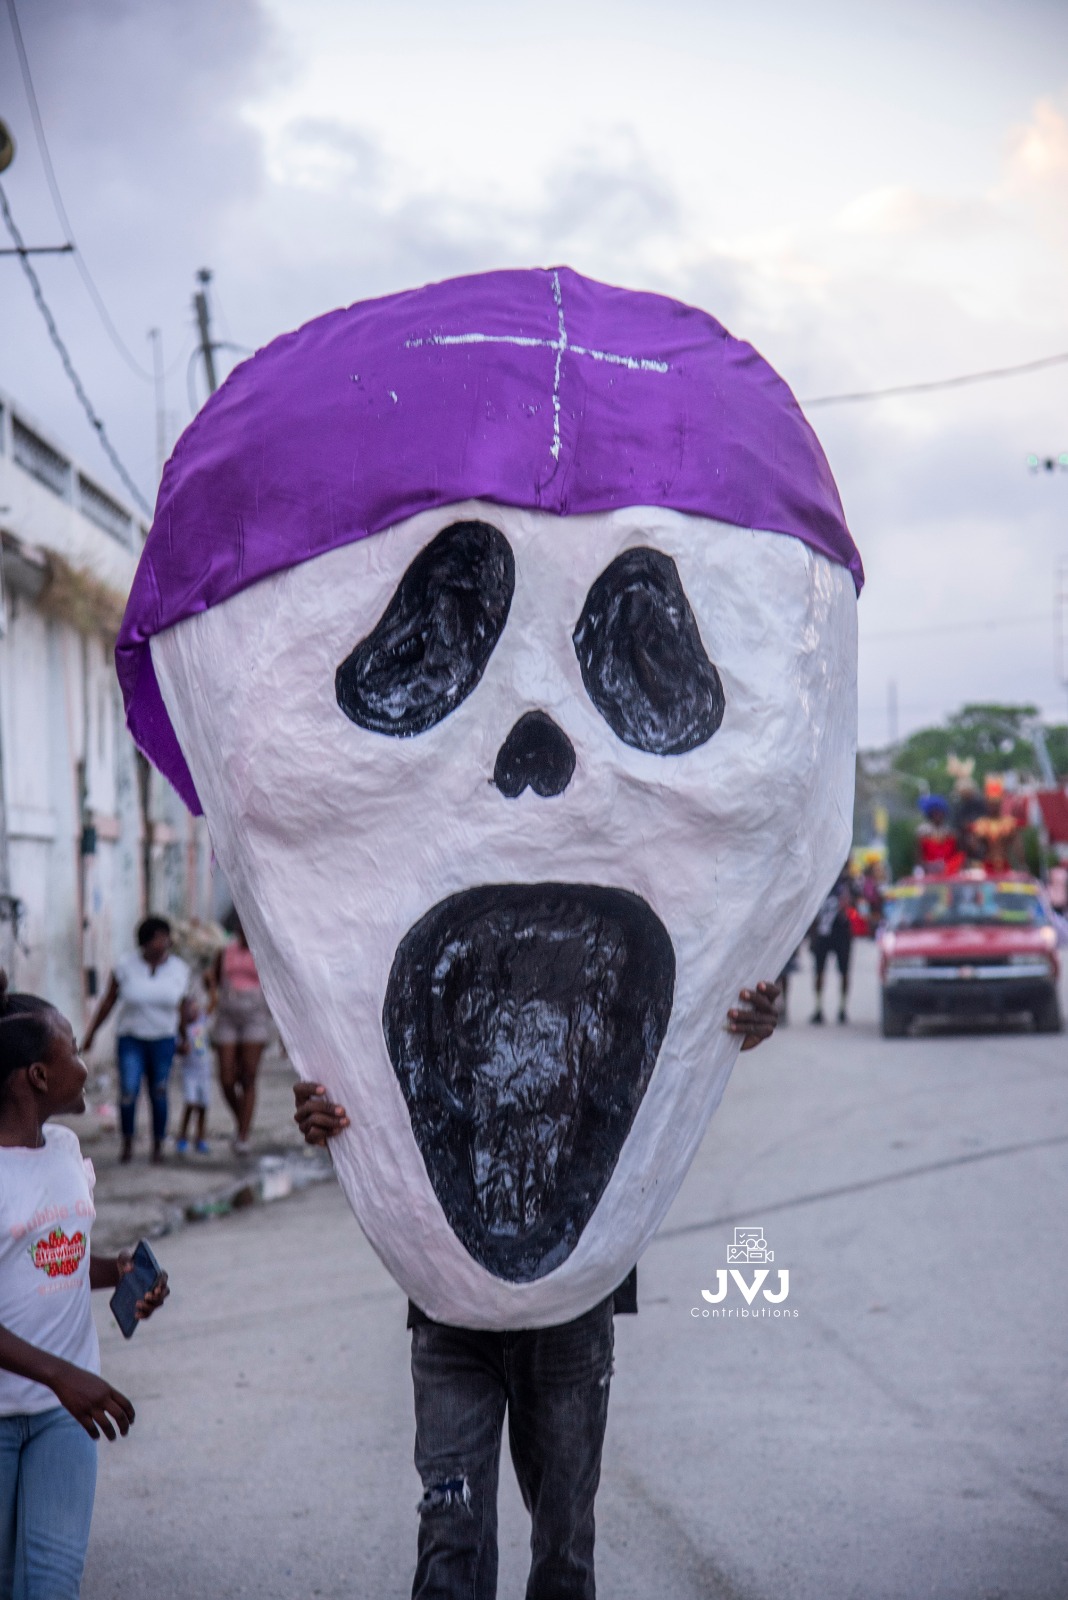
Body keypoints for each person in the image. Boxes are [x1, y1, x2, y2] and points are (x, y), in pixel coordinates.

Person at [293, 980, 780, 1600]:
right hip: (450, 1305)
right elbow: (366, 1035)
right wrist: (330, 1103)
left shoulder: (605, 951)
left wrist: (735, 1014)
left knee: (563, 1543)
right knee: (452, 1530)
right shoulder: (443, 964)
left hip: (571, 1306)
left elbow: (686, 1001)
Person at [0, 973, 169, 1599]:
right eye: (70, 1048)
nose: (82, 1062)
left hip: (61, 1419)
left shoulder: (67, 1150)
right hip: (30, 1404)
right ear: (37, 1076)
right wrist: (62, 1375)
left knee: (50, 1585)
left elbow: (53, 1257)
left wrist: (119, 1273)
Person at [82, 917, 190, 1164]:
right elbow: (108, 1002)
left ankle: (158, 1144)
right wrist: (91, 1035)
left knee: (159, 1092)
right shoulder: (125, 967)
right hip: (131, 1039)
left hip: (164, 1039)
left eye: (165, 937)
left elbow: (182, 1008)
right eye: (157, 937)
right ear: (145, 941)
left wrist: (184, 1038)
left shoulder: (179, 970)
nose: (163, 942)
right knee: (129, 1091)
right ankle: (128, 1141)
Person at [210, 919, 271, 1156]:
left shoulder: (263, 952)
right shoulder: (225, 952)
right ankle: (241, 1119)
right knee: (226, 1078)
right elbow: (214, 978)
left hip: (254, 1017)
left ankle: (243, 1134)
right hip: (227, 1016)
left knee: (248, 1076)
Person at [809, 871, 853, 1024]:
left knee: (844, 972)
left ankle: (842, 1008)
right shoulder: (819, 881)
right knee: (819, 972)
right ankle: (819, 1008)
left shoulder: (846, 882)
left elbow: (854, 906)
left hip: (841, 933)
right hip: (823, 934)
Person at [175, 990, 212, 1156]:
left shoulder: (202, 1021)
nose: (193, 1011)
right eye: (189, 1009)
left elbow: (213, 1003)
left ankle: (201, 1138)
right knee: (190, 1103)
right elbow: (177, 1050)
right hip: (189, 1073)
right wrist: (182, 1049)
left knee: (203, 1106)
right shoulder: (181, 1031)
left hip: (204, 1072)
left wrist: (211, 985)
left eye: (195, 1007)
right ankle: (182, 1137)